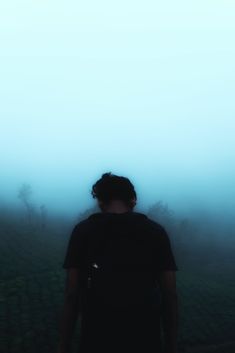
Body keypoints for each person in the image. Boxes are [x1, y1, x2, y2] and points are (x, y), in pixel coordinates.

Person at [57, 172, 178, 353]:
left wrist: (63, 345)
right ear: (133, 200)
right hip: (145, 338)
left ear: (100, 201)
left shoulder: (83, 232)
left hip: (96, 337)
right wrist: (171, 346)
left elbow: (72, 294)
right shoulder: (155, 232)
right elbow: (169, 295)